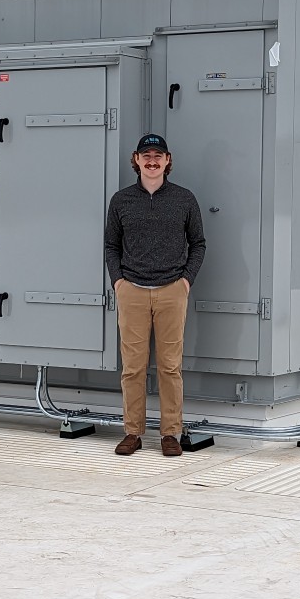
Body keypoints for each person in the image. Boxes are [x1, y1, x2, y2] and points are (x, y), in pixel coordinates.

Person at [105, 134, 206, 457]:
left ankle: (170, 434)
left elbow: (198, 243)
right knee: (133, 367)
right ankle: (132, 432)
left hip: (171, 290)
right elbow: (111, 246)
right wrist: (118, 282)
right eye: (146, 155)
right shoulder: (121, 201)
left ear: (167, 160)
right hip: (131, 290)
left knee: (169, 366)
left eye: (158, 155)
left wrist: (185, 281)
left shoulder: (184, 199)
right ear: (136, 160)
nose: (152, 161)